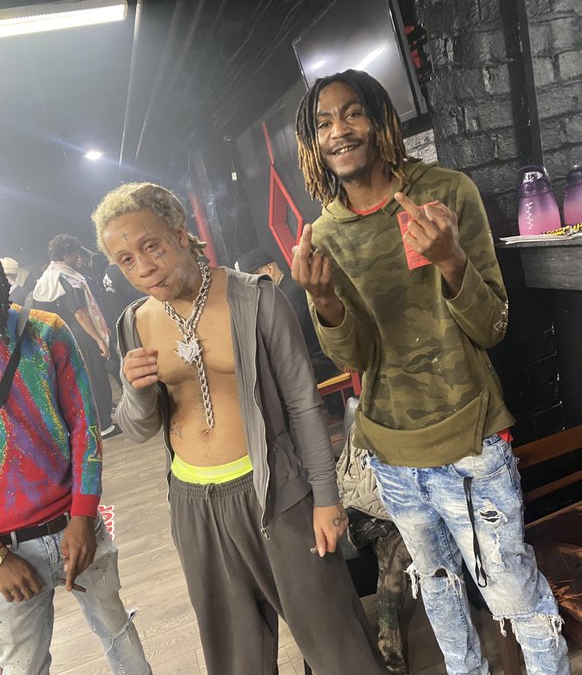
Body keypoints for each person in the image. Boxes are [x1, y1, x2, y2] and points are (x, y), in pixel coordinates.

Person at [292, 68, 570, 675]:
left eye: (352, 113)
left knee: (516, 595)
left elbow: (493, 326)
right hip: (392, 456)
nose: (339, 131)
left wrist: (450, 260)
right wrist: (325, 302)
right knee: (439, 593)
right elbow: (354, 358)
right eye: (323, 123)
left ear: (380, 120)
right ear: (312, 143)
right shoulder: (325, 235)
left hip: (471, 443)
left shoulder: (446, 193)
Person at [91, 182, 388, 675]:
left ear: (180, 234)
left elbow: (303, 404)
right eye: (125, 259)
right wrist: (136, 390)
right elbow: (138, 428)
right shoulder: (134, 323)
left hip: (276, 494)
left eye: (151, 246)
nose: (143, 267)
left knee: (337, 643)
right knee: (235, 656)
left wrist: (326, 498)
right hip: (194, 504)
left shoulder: (255, 298)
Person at [0, 263, 151, 675]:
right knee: (22, 666)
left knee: (120, 637)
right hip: (9, 552)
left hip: (77, 525)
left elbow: (85, 424)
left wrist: (84, 516)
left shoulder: (46, 331)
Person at [32, 235, 118, 438]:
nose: (78, 257)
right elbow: (80, 313)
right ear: (66, 255)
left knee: (86, 381)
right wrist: (99, 339)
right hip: (82, 336)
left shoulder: (50, 276)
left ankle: (98, 421)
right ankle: (104, 424)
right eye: (74, 254)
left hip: (66, 336)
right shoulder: (66, 277)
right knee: (96, 379)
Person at [235, 248, 339, 383]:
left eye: (251, 280)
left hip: (318, 362)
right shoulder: (279, 294)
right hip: (307, 363)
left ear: (269, 270)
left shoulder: (289, 294)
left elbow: (287, 341)